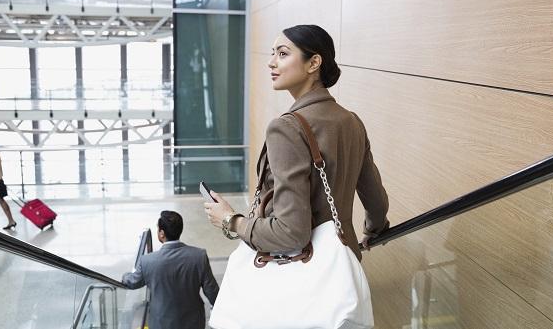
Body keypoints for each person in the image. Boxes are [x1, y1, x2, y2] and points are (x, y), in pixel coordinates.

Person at [203, 25, 390, 326]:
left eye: (283, 53)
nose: (271, 62)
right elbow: (377, 201)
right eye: (273, 54)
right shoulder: (352, 122)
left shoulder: (286, 128)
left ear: (314, 63)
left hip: (300, 285)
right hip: (340, 273)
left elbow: (291, 232)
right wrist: (374, 229)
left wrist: (231, 220)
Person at [122, 210, 219, 329]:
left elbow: (133, 282)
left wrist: (125, 276)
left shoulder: (148, 261)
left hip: (161, 323)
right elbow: (213, 291)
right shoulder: (199, 256)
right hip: (193, 322)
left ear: (162, 233)